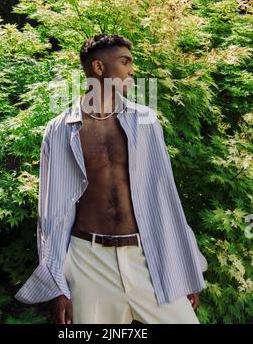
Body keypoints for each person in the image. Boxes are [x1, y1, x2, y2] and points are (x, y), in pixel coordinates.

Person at [15, 34, 208, 324]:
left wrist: (185, 270)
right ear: (99, 68)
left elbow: (165, 198)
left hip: (146, 256)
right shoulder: (60, 130)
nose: (132, 70)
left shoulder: (145, 121)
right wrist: (58, 288)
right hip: (89, 261)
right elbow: (51, 213)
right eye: (125, 61)